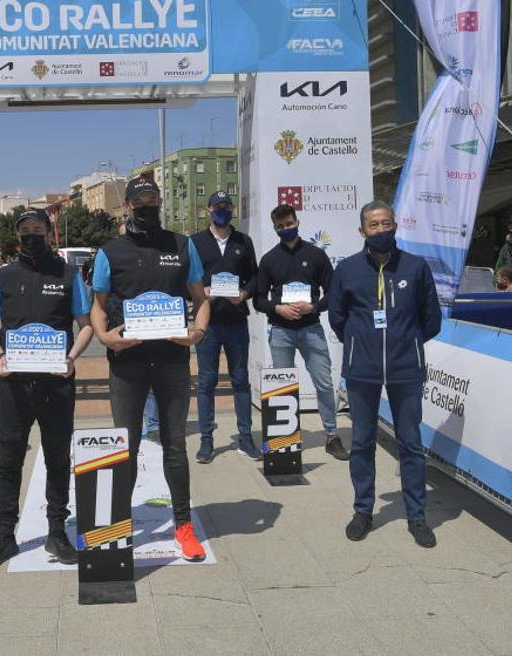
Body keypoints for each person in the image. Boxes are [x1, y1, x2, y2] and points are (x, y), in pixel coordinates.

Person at [90, 175, 212, 561]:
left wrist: (199, 331)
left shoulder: (182, 244)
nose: (148, 205)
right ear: (127, 206)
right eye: (140, 201)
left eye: (153, 199)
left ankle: (182, 523)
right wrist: (104, 337)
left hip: (173, 360)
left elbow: (201, 298)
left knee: (175, 446)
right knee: (126, 446)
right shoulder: (110, 252)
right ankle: (118, 526)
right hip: (128, 362)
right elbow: (97, 306)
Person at [0, 210, 94, 569]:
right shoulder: (4, 276)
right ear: (17, 236)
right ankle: (5, 534)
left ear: (48, 234)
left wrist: (72, 357)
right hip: (13, 385)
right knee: (9, 460)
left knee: (58, 459)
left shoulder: (68, 274)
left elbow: (85, 324)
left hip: (56, 383)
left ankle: (56, 531)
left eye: (38, 230)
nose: (31, 235)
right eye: (25, 230)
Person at [328, 201, 442, 548]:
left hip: (406, 369)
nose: (381, 230)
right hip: (362, 370)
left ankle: (416, 515)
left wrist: (404, 342)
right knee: (362, 442)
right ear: (362, 231)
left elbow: (431, 319)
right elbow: (337, 317)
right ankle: (363, 510)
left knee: (409, 443)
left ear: (395, 226)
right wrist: (362, 342)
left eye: (386, 223)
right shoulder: (347, 270)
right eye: (373, 225)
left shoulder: (416, 267)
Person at [254, 204, 349, 461]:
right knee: (282, 388)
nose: (286, 229)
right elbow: (259, 300)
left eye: (289, 224)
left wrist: (313, 307)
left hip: (311, 328)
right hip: (281, 330)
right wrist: (278, 309)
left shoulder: (317, 255)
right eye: (281, 226)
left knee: (323, 382)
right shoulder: (269, 259)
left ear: (297, 221)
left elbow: (333, 293)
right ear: (275, 228)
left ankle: (331, 435)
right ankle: (282, 441)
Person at [190, 190, 260, 463]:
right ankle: (206, 441)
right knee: (206, 382)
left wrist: (243, 294)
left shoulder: (243, 241)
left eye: (227, 206)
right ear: (208, 210)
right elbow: (186, 281)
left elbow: (255, 278)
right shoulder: (195, 242)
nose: (223, 210)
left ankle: (245, 438)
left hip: (236, 322)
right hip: (207, 323)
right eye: (217, 206)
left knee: (241, 380)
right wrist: (200, 292)